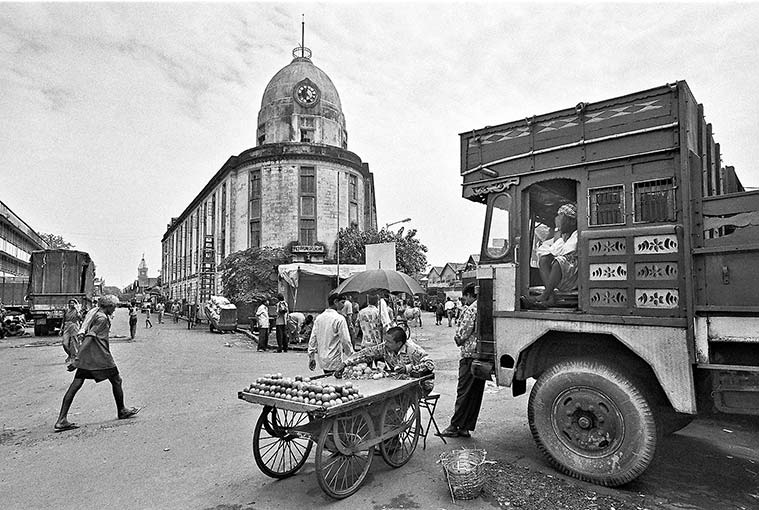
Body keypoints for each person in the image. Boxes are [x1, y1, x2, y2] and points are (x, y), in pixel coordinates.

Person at [54, 295, 140, 432]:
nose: (115, 309)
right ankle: (122, 410)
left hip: (89, 357)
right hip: (100, 356)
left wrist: (80, 358)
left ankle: (61, 419)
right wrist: (77, 359)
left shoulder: (96, 313)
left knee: (76, 384)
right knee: (117, 380)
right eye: (115, 306)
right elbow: (90, 337)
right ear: (109, 306)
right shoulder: (102, 318)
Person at [439, 283, 484, 438]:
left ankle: (455, 425)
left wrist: (457, 338)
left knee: (463, 392)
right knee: (475, 393)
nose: (464, 300)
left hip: (469, 355)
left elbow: (462, 333)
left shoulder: (471, 309)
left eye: (465, 297)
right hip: (481, 354)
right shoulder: (484, 306)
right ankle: (465, 427)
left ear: (470, 295)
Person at [337, 326, 435, 394]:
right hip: (399, 383)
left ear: (399, 343)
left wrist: (408, 368)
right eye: (385, 340)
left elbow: (429, 364)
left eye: (389, 341)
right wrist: (345, 363)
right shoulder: (385, 347)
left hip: (421, 385)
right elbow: (366, 353)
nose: (386, 343)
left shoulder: (413, 350)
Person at [522, 203, 578, 309]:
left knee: (559, 261)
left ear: (572, 221)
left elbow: (563, 251)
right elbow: (543, 250)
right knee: (544, 260)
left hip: (574, 274)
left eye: (561, 219)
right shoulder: (562, 237)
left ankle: (545, 295)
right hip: (563, 274)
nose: (557, 222)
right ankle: (550, 297)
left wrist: (557, 232)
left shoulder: (576, 234)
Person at [308, 293, 354, 375]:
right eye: (342, 302)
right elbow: (346, 340)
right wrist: (352, 356)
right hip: (334, 359)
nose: (343, 306)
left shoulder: (319, 318)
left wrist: (311, 356)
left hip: (322, 359)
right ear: (336, 302)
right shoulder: (339, 319)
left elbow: (313, 339)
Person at [60, 299, 82, 371]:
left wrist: (78, 311)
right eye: (70, 303)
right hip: (66, 327)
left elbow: (80, 319)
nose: (71, 304)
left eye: (73, 303)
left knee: (74, 343)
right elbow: (63, 321)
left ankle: (75, 357)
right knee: (64, 343)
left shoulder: (77, 311)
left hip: (74, 326)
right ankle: (69, 354)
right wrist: (61, 329)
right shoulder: (66, 311)